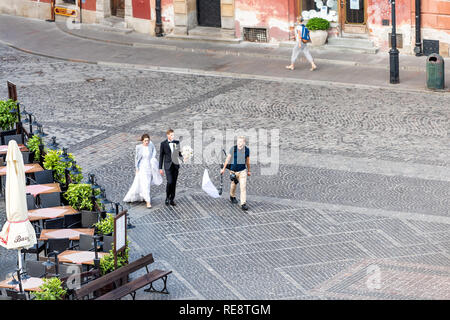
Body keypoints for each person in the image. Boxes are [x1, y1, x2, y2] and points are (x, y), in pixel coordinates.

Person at [123, 133, 158, 208]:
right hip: (142, 168)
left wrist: (153, 158)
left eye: (148, 140)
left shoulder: (151, 145)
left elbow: (154, 151)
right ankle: (148, 201)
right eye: (145, 141)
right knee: (145, 184)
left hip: (149, 167)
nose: (147, 142)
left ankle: (142, 196)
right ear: (142, 141)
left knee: (146, 183)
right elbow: (137, 159)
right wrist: (137, 168)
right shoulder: (139, 148)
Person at [220, 136, 251, 211]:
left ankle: (243, 203)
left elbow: (247, 161)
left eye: (241, 142)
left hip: (243, 171)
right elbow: (228, 159)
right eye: (238, 142)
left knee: (243, 187)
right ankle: (232, 196)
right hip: (233, 171)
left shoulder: (247, 150)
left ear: (244, 142)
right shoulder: (233, 149)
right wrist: (223, 169)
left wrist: (249, 170)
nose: (239, 143)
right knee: (234, 184)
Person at [159, 129, 184, 206]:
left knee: (174, 183)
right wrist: (160, 168)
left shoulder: (177, 142)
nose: (172, 136)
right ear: (167, 135)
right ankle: (167, 197)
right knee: (169, 182)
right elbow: (161, 156)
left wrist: (184, 155)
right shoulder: (163, 144)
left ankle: (172, 199)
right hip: (168, 166)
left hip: (175, 165)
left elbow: (179, 153)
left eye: (173, 135)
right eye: (171, 135)